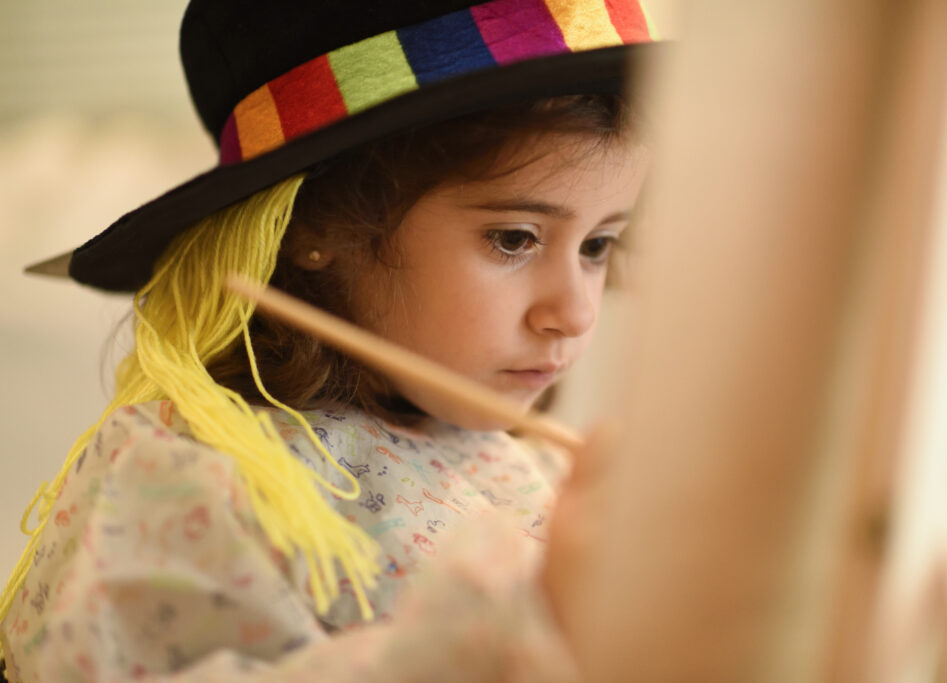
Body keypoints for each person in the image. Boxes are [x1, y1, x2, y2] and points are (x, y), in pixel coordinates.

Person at [0, 1, 656, 680]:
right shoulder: (192, 474)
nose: (575, 312)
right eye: (514, 239)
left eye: (599, 243)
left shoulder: (530, 463)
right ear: (320, 226)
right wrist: (485, 638)